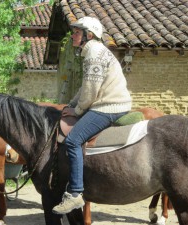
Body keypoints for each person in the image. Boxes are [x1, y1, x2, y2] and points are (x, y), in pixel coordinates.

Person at [52, 16, 132, 214]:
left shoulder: (94, 53)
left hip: (109, 106)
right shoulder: (93, 51)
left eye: (77, 32)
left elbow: (91, 90)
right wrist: (70, 104)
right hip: (108, 102)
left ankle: (75, 193)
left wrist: (77, 110)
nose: (73, 35)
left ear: (89, 35)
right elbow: (85, 86)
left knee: (72, 140)